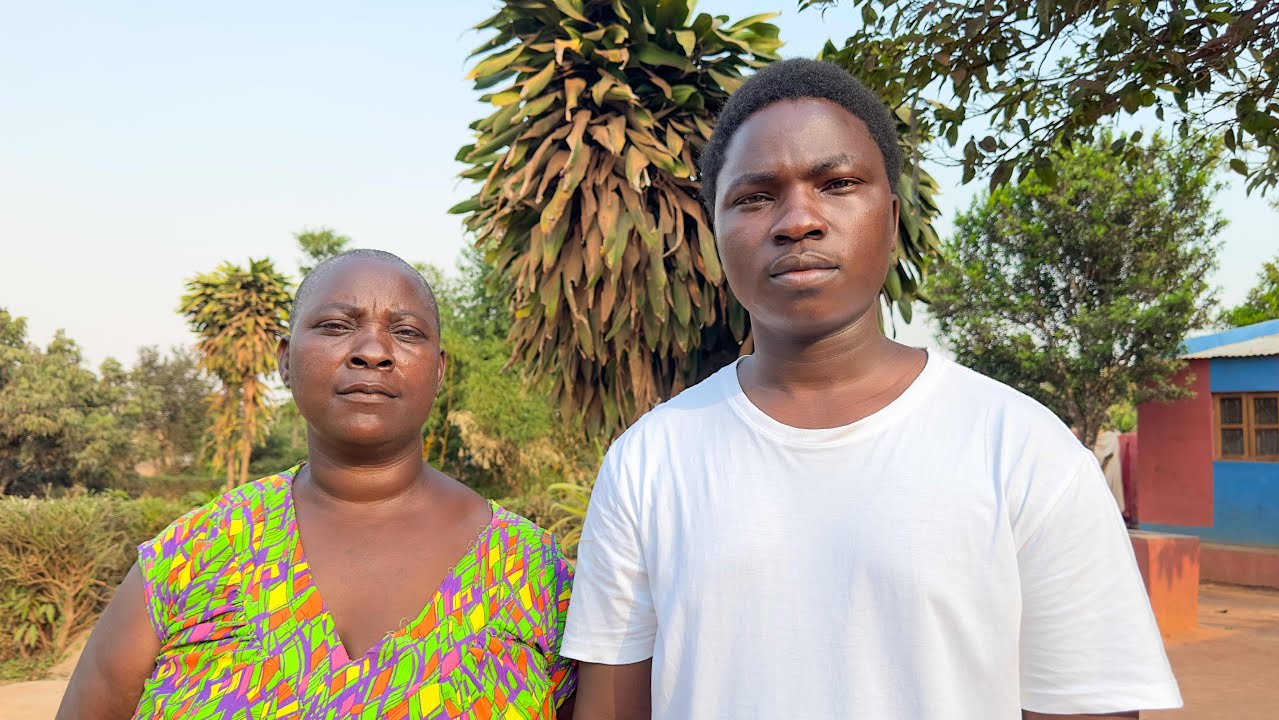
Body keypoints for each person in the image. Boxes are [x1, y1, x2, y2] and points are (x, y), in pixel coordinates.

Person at [562, 59, 1180, 719]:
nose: (798, 220)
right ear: (716, 232)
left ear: (889, 219)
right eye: (755, 196)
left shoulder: (1026, 453)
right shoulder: (647, 462)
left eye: (837, 183)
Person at [58, 250, 576, 719]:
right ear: (285, 359)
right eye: (334, 326)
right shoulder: (192, 553)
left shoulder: (534, 572)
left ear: (438, 371)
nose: (372, 350)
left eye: (407, 332)